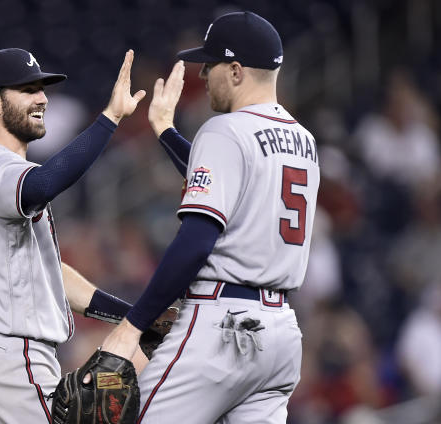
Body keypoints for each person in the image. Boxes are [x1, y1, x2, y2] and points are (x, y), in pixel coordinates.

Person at [99, 11, 320, 423]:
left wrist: (132, 325)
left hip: (221, 326)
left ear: (236, 71)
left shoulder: (225, 129)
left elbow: (197, 240)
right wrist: (166, 130)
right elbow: (229, 179)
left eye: (210, 64)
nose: (202, 75)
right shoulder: (303, 141)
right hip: (281, 336)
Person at [0, 47, 146, 423]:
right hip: (12, 358)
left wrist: (134, 318)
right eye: (27, 89)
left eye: (42, 88)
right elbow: (46, 183)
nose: (42, 98)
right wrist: (111, 118)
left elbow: (51, 275)